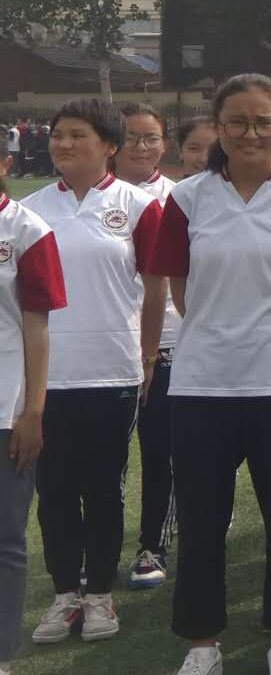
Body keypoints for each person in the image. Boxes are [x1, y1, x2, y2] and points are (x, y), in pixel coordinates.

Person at [148, 73, 271, 675]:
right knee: (202, 518)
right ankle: (202, 642)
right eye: (236, 122)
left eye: (263, 122)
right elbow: (180, 287)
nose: (250, 133)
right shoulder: (188, 198)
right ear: (218, 125)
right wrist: (221, 331)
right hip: (204, 382)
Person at [23, 98, 163, 647]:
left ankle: (100, 592)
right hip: (46, 378)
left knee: (104, 487)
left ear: (110, 145)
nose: (63, 144)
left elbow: (155, 289)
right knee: (54, 490)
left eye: (77, 135)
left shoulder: (139, 207)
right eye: (58, 135)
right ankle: (65, 593)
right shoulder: (31, 211)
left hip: (112, 373)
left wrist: (146, 358)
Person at [0, 151, 63, 675]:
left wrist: (33, 411)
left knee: (5, 541)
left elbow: (37, 328)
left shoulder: (27, 230)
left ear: (5, 163)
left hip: (6, 409)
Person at [114, 103, 182, 588]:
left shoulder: (180, 198)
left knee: (160, 453)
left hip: (169, 345)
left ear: (164, 144)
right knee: (107, 460)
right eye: (130, 137)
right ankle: (97, 548)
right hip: (110, 347)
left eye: (150, 138)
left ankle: (152, 545)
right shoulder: (97, 198)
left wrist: (153, 351)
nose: (140, 147)